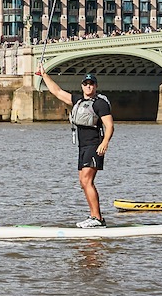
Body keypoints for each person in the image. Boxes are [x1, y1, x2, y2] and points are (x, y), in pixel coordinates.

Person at [36, 68, 114, 226]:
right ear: (82, 86)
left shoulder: (100, 104)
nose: (89, 86)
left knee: (87, 180)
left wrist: (105, 142)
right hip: (82, 146)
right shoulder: (78, 100)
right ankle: (94, 217)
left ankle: (97, 219)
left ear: (96, 86)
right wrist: (44, 75)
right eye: (86, 84)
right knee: (83, 182)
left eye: (91, 84)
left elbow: (110, 126)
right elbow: (57, 91)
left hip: (94, 145)